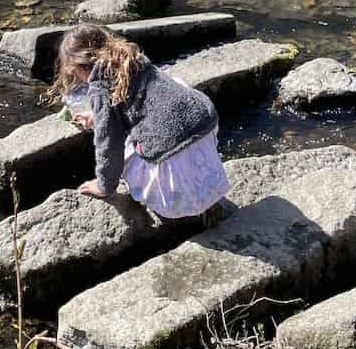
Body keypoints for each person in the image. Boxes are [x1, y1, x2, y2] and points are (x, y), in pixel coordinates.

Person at [54, 25, 231, 218]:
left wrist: (104, 186)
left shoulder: (99, 86)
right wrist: (98, 115)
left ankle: (177, 192)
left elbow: (109, 145)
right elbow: (142, 102)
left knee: (126, 147)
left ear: (76, 67)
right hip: (203, 130)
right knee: (177, 84)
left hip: (174, 173)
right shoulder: (133, 58)